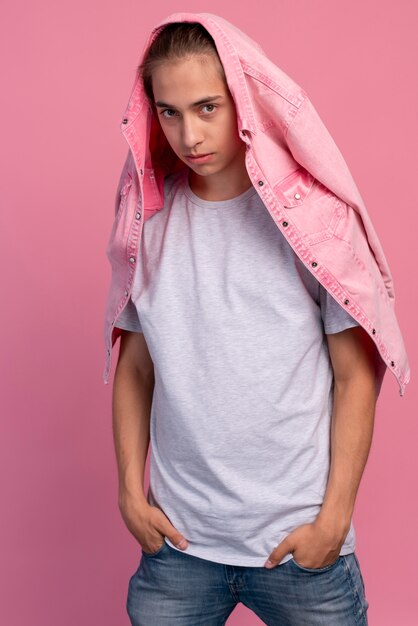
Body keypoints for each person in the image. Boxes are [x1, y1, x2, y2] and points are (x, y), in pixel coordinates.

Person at [104, 13, 410, 626]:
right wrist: (128, 496)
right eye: (170, 111)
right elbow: (135, 367)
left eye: (207, 107)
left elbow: (355, 377)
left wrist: (334, 521)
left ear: (243, 100)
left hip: (300, 549)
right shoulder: (149, 220)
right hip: (178, 548)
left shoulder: (311, 223)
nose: (190, 134)